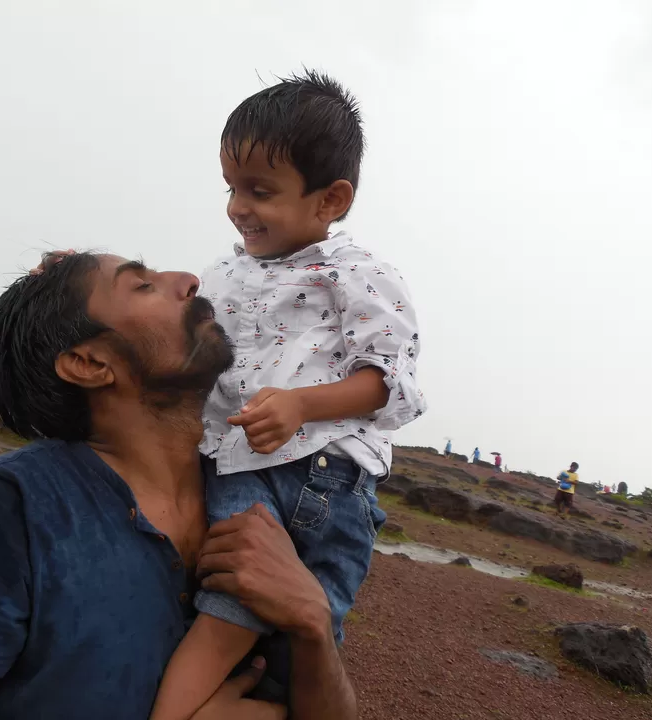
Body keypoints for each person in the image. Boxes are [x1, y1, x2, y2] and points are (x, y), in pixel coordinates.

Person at [0, 251, 358, 719]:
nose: (189, 279)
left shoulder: (266, 492)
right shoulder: (13, 506)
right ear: (89, 363)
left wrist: (312, 622)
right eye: (143, 285)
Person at [150, 70, 426, 720]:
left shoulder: (358, 274)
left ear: (329, 200)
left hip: (318, 478)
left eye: (260, 191)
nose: (237, 206)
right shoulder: (229, 271)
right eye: (231, 187)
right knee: (227, 623)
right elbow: (178, 333)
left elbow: (390, 383)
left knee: (282, 640)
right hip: (233, 463)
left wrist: (303, 404)